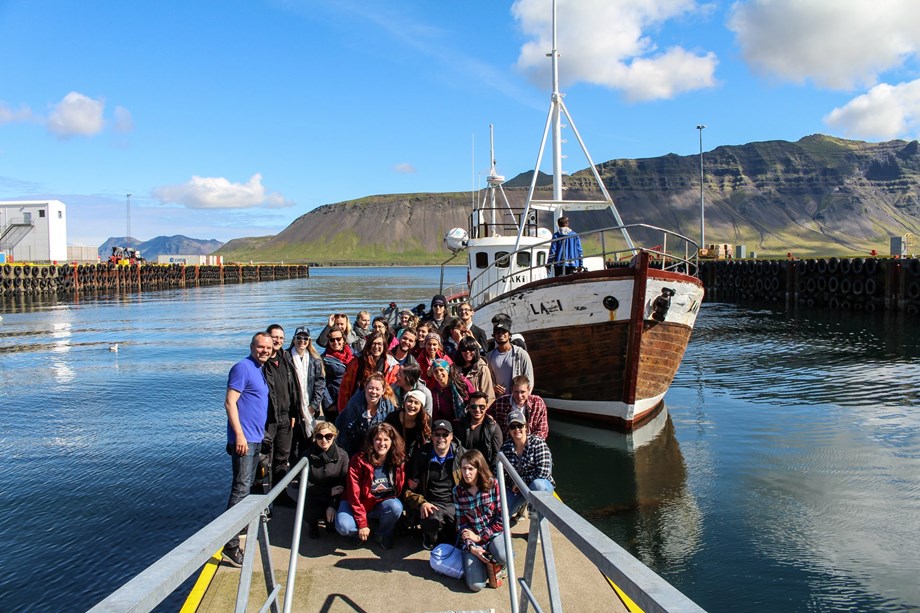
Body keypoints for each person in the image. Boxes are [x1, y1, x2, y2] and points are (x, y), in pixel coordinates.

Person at [222, 332, 272, 567]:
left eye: (268, 347)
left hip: (255, 438)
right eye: (260, 346)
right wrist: (239, 435)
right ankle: (230, 545)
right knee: (241, 488)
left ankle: (240, 524)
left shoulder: (259, 369)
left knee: (248, 484)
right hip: (245, 439)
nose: (265, 350)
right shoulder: (242, 367)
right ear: (252, 346)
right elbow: (230, 401)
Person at [336, 423, 406, 549]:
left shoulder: (398, 460)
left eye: (386, 439)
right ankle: (359, 530)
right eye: (378, 439)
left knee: (395, 507)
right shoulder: (358, 460)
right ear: (371, 441)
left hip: (379, 503)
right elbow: (354, 494)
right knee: (344, 527)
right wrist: (362, 523)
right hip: (356, 502)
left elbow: (398, 489)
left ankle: (382, 533)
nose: (382, 443)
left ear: (392, 442)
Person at [404, 419, 465, 550]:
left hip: (454, 503)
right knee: (431, 517)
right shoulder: (421, 456)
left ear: (452, 437)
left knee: (459, 537)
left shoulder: (462, 455)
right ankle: (430, 537)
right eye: (437, 434)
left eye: (445, 435)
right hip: (431, 503)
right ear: (431, 436)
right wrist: (421, 503)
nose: (441, 438)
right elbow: (408, 490)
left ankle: (447, 532)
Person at [454, 449, 508, 592]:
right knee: (476, 585)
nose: (466, 473)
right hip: (472, 539)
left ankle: (498, 561)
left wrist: (480, 537)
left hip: (492, 534)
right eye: (464, 468)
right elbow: (462, 524)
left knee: (503, 555)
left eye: (471, 469)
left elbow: (502, 520)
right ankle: (484, 562)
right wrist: (472, 547)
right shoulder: (458, 491)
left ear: (479, 469)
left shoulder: (493, 485)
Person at [263, 324, 301, 494]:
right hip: (267, 419)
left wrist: (294, 412)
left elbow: (293, 386)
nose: (277, 340)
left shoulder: (285, 357)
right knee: (264, 460)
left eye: (280, 337)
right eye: (274, 337)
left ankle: (280, 494)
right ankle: (259, 500)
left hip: (285, 418)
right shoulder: (262, 362)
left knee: (282, 459)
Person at [500, 410, 554, 518]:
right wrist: (511, 484)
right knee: (502, 513)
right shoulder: (505, 448)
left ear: (526, 427)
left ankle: (537, 520)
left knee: (538, 486)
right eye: (513, 427)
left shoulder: (538, 443)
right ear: (509, 430)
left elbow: (543, 472)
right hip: (516, 489)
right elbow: (500, 473)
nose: (517, 429)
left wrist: (521, 483)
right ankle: (521, 506)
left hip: (538, 486)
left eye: (519, 425)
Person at [304, 421, 349, 538]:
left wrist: (332, 505)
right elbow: (304, 484)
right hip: (314, 495)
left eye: (328, 436)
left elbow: (343, 484)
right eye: (319, 436)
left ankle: (330, 520)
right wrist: (328, 491)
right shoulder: (306, 456)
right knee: (310, 511)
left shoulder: (342, 456)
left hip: (335, 496)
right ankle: (312, 524)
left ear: (334, 436)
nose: (324, 440)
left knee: (333, 527)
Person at [337, 331, 399, 414]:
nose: (376, 347)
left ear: (384, 346)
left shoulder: (392, 365)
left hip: (382, 407)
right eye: (373, 344)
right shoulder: (357, 362)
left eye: (379, 344)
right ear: (369, 345)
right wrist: (343, 411)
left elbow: (392, 390)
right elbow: (345, 388)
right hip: (358, 405)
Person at [288, 326, 325, 463]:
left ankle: (306, 472)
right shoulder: (287, 358)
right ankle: (293, 472)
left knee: (308, 441)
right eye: (299, 338)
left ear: (309, 341)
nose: (302, 341)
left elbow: (320, 384)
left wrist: (314, 405)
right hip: (293, 410)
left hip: (309, 409)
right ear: (294, 339)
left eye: (305, 338)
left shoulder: (315, 361)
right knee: (292, 444)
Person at [335, 373, 397, 456]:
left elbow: (390, 428)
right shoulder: (355, 403)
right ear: (365, 388)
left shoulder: (388, 405)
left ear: (383, 391)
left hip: (377, 443)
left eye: (377, 389)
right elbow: (349, 430)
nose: (374, 392)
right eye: (371, 388)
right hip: (352, 441)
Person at [485, 314, 533, 397]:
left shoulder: (521, 353)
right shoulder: (489, 357)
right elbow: (487, 379)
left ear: (509, 335)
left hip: (518, 401)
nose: (501, 334)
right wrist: (493, 387)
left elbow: (529, 379)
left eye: (504, 332)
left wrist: (523, 398)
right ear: (494, 336)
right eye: (497, 332)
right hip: (500, 402)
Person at [490, 375, 548, 441]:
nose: (519, 396)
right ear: (512, 390)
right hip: (505, 443)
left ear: (529, 389)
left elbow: (542, 431)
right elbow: (487, 416)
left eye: (522, 392)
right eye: (516, 392)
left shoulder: (538, 402)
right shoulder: (500, 402)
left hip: (531, 444)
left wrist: (530, 445)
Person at [456, 391, 502, 467]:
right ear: (468, 407)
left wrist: (491, 474)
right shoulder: (459, 425)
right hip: (465, 469)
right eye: (473, 406)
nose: (477, 410)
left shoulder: (493, 428)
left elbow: (497, 455)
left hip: (485, 470)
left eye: (482, 407)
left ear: (487, 407)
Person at [384, 388, 431, 460]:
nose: (412, 405)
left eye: (416, 403)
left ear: (421, 407)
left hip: (414, 460)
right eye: (410, 401)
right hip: (393, 456)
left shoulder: (424, 421)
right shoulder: (392, 417)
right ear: (404, 402)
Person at [321, 327, 354, 424]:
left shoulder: (352, 353)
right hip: (334, 401)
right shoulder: (324, 359)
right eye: (332, 340)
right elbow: (321, 382)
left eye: (338, 339)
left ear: (343, 339)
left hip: (351, 398)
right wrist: (329, 404)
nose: (335, 342)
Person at [429, 359, 475, 426]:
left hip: (467, 421)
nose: (439, 374)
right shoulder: (435, 391)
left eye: (441, 370)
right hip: (447, 425)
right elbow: (436, 413)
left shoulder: (461, 382)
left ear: (447, 370)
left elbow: (475, 397)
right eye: (436, 371)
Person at [455, 337, 495, 407]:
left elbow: (488, 393)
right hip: (458, 409)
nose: (467, 352)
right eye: (464, 349)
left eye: (471, 349)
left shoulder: (482, 368)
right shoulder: (454, 369)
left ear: (476, 350)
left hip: (477, 409)